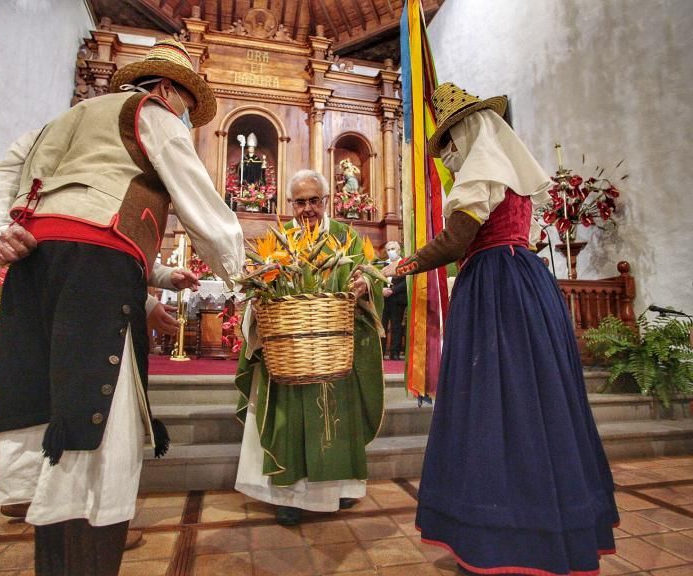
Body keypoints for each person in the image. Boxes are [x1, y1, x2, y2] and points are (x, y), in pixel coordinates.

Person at [0, 39, 244, 575]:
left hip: (35, 267)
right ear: (163, 88)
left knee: (48, 414)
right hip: (96, 277)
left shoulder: (60, 122)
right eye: (184, 105)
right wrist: (247, 277)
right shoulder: (152, 114)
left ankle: (55, 554)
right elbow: (201, 203)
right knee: (101, 426)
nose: (184, 119)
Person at [382, 83, 618, 575]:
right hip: (525, 284)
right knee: (534, 403)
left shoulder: (482, 170)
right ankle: (541, 526)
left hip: (497, 291)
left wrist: (402, 267)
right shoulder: (509, 174)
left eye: (449, 142)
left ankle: (503, 535)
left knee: (494, 402)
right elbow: (512, 237)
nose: (447, 156)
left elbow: (458, 239)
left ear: (468, 133)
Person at [234, 169, 385, 526]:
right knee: (292, 420)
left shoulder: (345, 237)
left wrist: (366, 286)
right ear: (290, 204)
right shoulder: (278, 241)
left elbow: (371, 276)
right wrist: (259, 302)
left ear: (326, 201)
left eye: (313, 201)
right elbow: (257, 290)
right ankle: (288, 495)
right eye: (299, 202)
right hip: (290, 356)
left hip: (336, 354)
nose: (307, 209)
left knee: (336, 419)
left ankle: (340, 487)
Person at [381, 240, 406, 360]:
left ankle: (395, 353)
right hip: (384, 300)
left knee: (396, 326)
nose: (391, 251)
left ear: (399, 250)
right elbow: (377, 279)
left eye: (393, 249)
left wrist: (392, 290)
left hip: (397, 299)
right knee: (382, 326)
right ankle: (381, 352)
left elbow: (407, 282)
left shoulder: (404, 263)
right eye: (388, 249)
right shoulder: (383, 264)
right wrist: (382, 290)